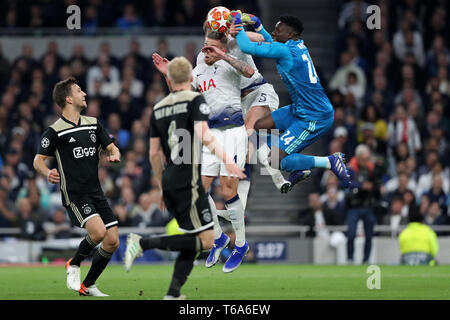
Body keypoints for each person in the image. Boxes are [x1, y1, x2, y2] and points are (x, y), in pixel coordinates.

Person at [123, 57, 246, 299]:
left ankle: (173, 293)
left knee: (194, 238)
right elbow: (205, 135)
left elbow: (153, 154)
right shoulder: (195, 99)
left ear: (170, 78)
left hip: (169, 178)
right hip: (189, 180)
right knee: (207, 241)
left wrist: (161, 187)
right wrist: (227, 159)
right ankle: (142, 243)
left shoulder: (158, 108)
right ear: (191, 78)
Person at [152, 26, 255, 272]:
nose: (205, 49)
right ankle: (218, 238)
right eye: (204, 45)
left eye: (210, 46)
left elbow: (250, 72)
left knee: (228, 187)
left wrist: (222, 56)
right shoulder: (197, 71)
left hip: (233, 131)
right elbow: (181, 95)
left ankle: (240, 244)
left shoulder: (231, 62)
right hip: (211, 134)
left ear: (221, 47)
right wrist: (168, 75)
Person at [233, 13, 352, 188]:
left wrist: (237, 25)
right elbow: (272, 43)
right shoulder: (296, 45)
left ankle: (329, 161)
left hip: (313, 118)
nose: (273, 33)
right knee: (258, 125)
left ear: (290, 34)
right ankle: (295, 165)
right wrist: (257, 25)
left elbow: (246, 47)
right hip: (300, 109)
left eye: (278, 30)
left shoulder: (285, 51)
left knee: (274, 160)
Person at [33, 77, 121, 297]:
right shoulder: (55, 131)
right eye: (80, 90)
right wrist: (47, 172)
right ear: (69, 99)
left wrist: (114, 154)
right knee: (99, 232)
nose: (85, 94)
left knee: (112, 241)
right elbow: (38, 161)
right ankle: (73, 263)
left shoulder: (93, 123)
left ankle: (87, 285)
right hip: (75, 194)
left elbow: (112, 147)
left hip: (95, 191)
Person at [345, 144, 378, 264]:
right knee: (351, 234)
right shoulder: (350, 168)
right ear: (358, 158)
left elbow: (377, 182)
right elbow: (346, 182)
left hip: (368, 205)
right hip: (354, 206)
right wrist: (362, 186)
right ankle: (350, 258)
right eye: (364, 159)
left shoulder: (371, 168)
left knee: (369, 235)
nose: (366, 161)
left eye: (367, 159)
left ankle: (366, 259)